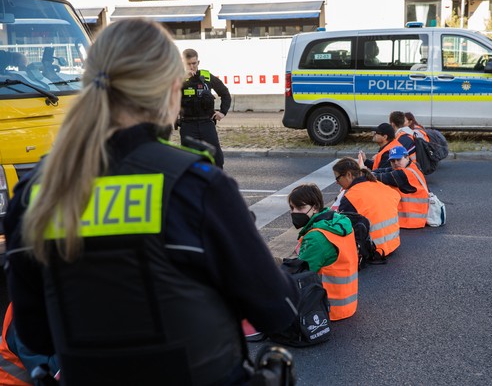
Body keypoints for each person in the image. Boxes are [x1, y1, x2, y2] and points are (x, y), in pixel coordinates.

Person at [4, 19, 298, 386]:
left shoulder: (36, 193)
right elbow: (278, 308)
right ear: (171, 89)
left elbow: (34, 336)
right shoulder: (196, 185)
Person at [288, 184, 358, 320]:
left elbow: (301, 272)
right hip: (346, 303)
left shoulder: (316, 236)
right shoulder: (337, 222)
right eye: (291, 208)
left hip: (324, 309)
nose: (294, 212)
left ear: (315, 207)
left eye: (300, 207)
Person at [333, 158, 401, 256]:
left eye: (337, 178)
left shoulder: (350, 197)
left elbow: (344, 229)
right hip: (392, 244)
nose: (336, 182)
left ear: (349, 175)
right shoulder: (381, 186)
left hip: (372, 250)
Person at [178, 48, 231, 169]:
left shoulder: (206, 77)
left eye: (194, 63)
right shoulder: (177, 78)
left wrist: (222, 112)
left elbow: (225, 93)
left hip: (206, 123)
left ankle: (217, 184)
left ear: (198, 62)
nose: (192, 66)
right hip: (188, 124)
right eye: (188, 64)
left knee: (216, 159)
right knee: (188, 161)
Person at [374, 146, 429, 229]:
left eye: (398, 159)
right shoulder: (412, 166)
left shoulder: (405, 174)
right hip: (415, 219)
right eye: (392, 161)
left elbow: (382, 177)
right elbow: (385, 170)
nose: (396, 163)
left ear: (407, 157)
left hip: (411, 222)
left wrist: (365, 173)